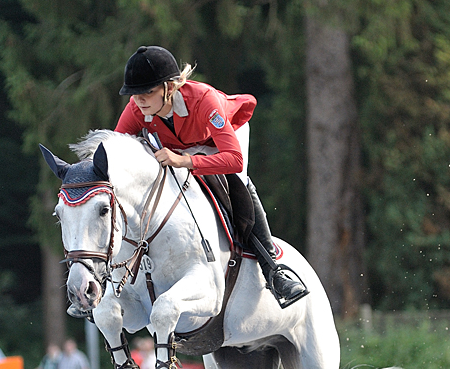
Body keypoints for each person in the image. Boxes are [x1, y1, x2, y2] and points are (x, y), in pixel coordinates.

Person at [114, 45, 309, 308]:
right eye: (134, 93)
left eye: (148, 92)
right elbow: (115, 153)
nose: (139, 100)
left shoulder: (204, 99)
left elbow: (234, 158)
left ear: (170, 88)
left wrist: (186, 161)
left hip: (223, 141)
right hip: (180, 148)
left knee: (239, 181)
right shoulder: (137, 109)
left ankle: (274, 270)